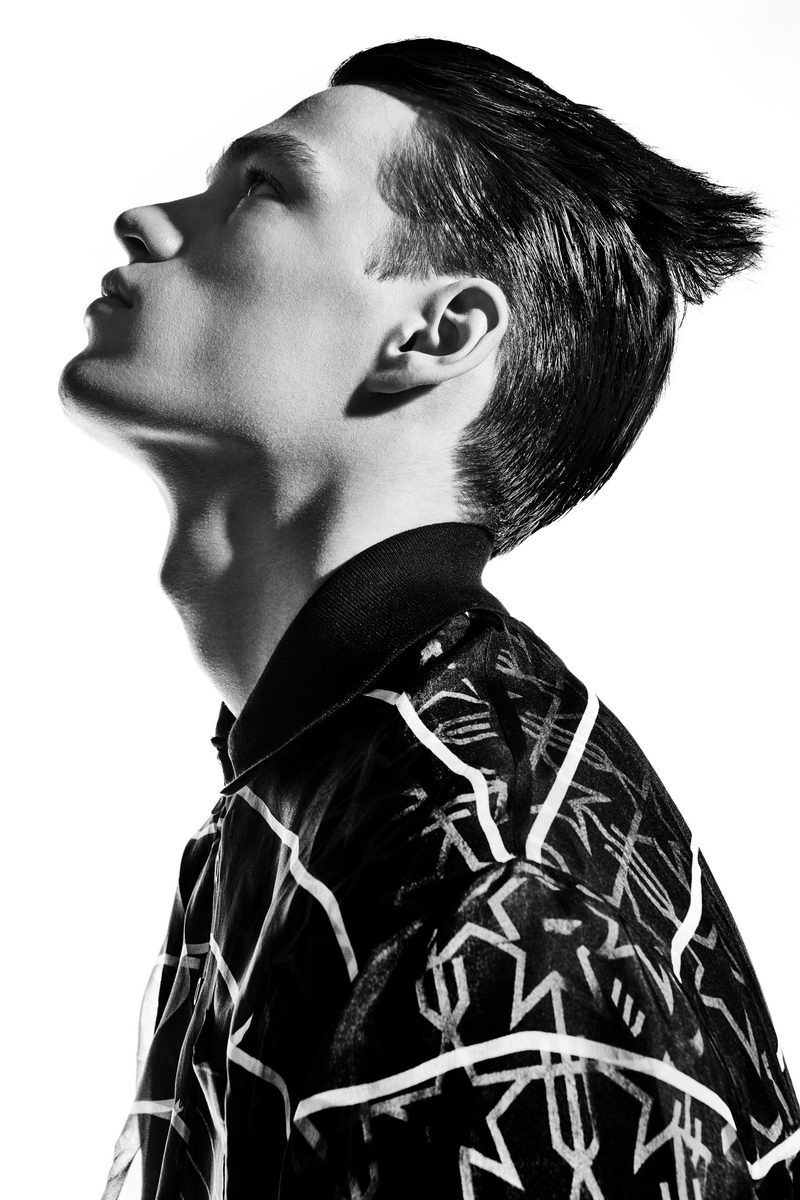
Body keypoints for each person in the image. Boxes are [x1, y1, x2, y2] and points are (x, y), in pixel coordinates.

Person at [59, 35, 798, 1200]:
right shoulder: (322, 784)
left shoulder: (499, 885)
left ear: (435, 334)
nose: (143, 222)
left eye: (262, 188)